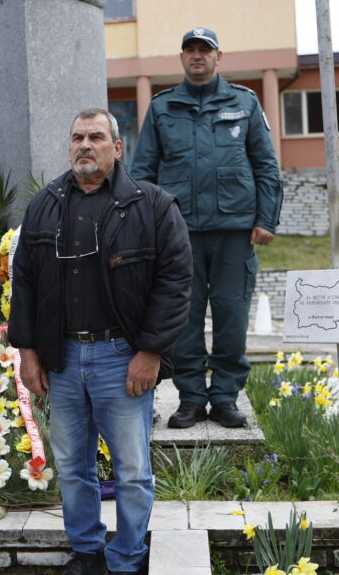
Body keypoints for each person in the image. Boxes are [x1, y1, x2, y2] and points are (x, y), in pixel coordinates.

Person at [9, 109, 192, 575]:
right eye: (77, 137)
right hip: (63, 357)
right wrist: (27, 351)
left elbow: (175, 284)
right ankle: (87, 552)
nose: (84, 145)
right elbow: (24, 282)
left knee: (131, 470)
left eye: (95, 136)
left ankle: (127, 558)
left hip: (122, 356)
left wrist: (150, 352)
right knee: (72, 466)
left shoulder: (153, 205)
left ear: (117, 146)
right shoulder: (45, 205)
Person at [130, 27, 283, 429]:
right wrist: (145, 226)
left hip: (235, 232)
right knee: (183, 317)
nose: (197, 55)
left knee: (232, 314)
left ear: (219, 57)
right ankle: (192, 399)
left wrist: (266, 219)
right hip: (179, 233)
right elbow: (143, 171)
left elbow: (266, 165)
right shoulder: (162, 107)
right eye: (190, 50)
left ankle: (226, 397)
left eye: (205, 50)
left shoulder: (244, 102)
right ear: (182, 57)